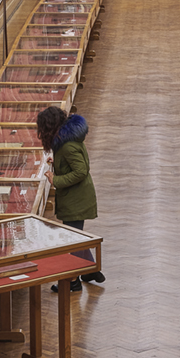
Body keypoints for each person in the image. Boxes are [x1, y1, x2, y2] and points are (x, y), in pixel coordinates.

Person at [37, 105, 103, 289]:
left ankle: (72, 282)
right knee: (76, 235)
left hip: (77, 199)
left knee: (71, 239)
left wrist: (55, 178)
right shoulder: (66, 140)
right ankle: (90, 270)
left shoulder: (66, 145)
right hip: (75, 197)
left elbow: (81, 171)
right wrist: (56, 162)